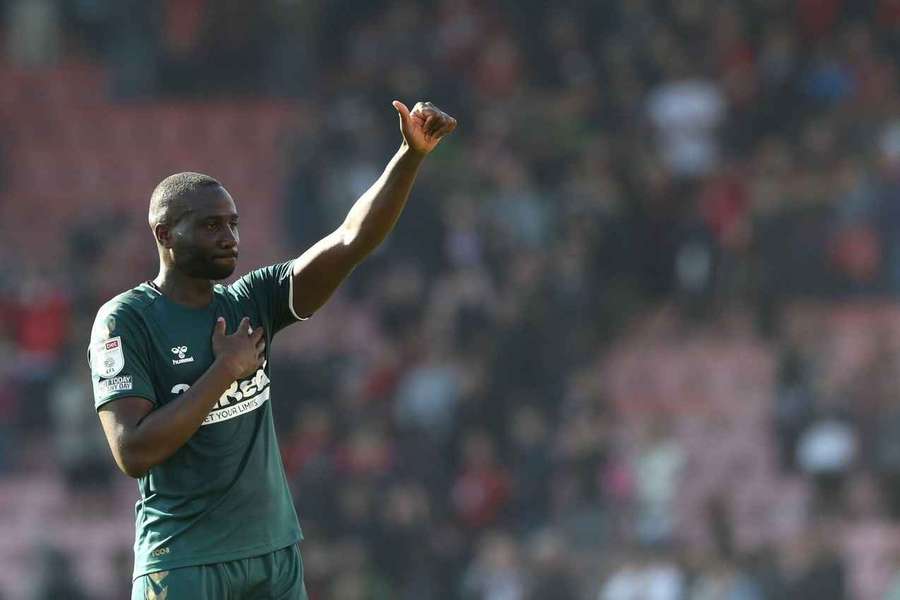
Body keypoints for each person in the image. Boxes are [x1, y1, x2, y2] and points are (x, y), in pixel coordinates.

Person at [87, 100, 457, 600]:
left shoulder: (251, 300)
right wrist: (225, 370)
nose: (229, 238)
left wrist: (409, 156)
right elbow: (133, 452)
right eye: (211, 226)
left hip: (273, 555)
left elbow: (351, 240)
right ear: (164, 234)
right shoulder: (126, 319)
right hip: (186, 562)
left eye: (233, 224)